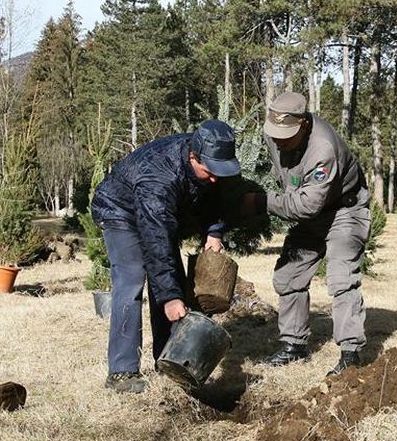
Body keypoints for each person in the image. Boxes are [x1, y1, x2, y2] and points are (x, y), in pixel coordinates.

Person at [91, 120, 241, 393]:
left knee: (174, 282)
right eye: (209, 172)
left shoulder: (210, 156)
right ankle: (122, 372)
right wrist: (170, 298)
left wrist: (215, 231)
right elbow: (156, 240)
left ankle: (168, 358)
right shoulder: (157, 177)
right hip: (119, 211)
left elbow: (218, 193)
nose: (215, 178)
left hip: (159, 218)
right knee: (132, 278)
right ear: (193, 157)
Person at [242, 92, 370, 376]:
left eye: (285, 136)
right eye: (274, 133)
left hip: (343, 211)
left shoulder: (322, 148)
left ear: (303, 125)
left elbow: (307, 205)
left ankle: (351, 356)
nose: (278, 141)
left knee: (341, 280)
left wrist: (262, 202)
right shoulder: (273, 134)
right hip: (307, 209)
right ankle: (293, 345)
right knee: (288, 276)